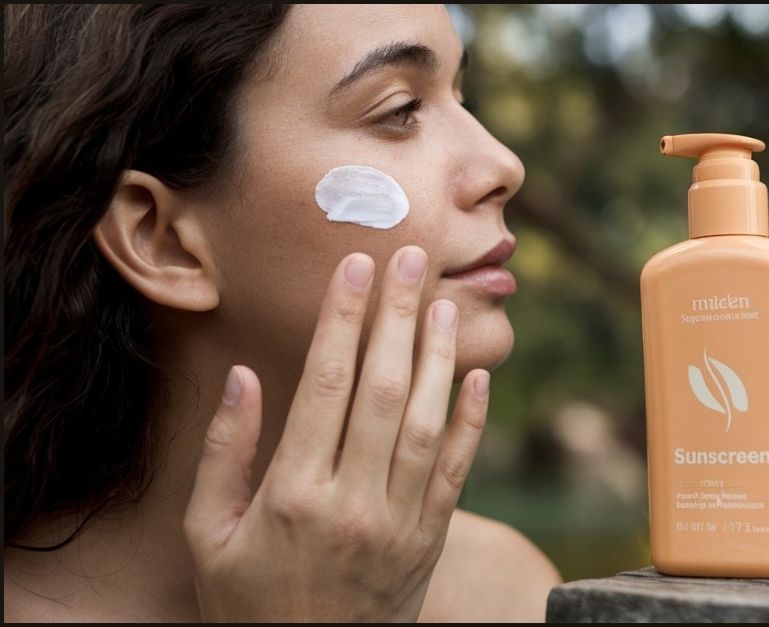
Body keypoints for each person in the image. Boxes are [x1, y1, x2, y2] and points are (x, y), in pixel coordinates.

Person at [3, 4, 561, 621]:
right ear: (161, 239)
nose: (503, 166)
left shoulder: (505, 591)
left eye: (461, 96)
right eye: (401, 110)